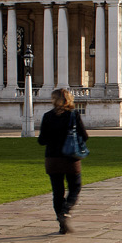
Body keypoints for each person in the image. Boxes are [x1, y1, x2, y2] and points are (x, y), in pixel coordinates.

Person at [37, 88, 87, 234]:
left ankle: (61, 223)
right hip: (70, 158)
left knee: (57, 192)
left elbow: (41, 140)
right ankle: (65, 211)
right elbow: (84, 135)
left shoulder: (47, 116)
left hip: (52, 159)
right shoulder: (73, 115)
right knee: (75, 187)